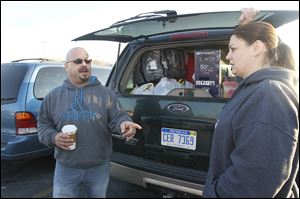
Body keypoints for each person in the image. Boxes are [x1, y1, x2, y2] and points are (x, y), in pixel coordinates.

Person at [203, 14, 299, 198]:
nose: (228, 56)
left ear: (256, 48)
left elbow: (253, 183)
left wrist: (214, 193)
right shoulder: (254, 89)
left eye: (233, 49)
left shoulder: (270, 95)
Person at [37, 47, 142, 198]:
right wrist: (54, 137)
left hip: (98, 169)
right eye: (78, 61)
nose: (84, 64)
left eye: (88, 60)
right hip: (66, 169)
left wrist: (124, 124)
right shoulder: (53, 96)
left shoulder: (106, 94)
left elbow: (118, 116)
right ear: (67, 66)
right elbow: (43, 125)